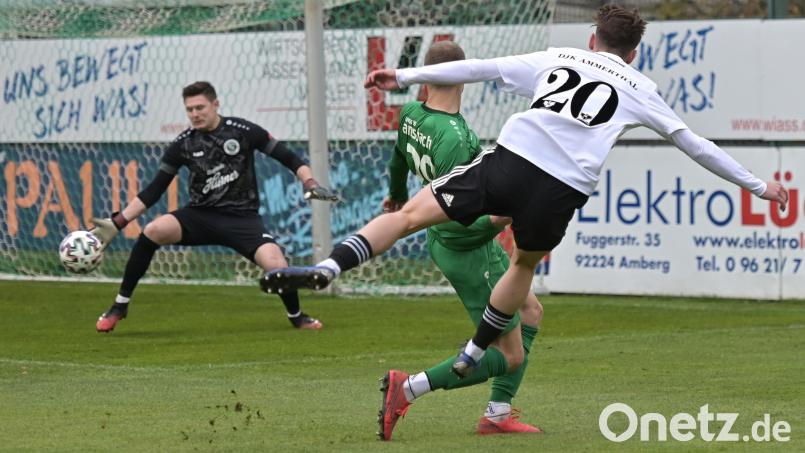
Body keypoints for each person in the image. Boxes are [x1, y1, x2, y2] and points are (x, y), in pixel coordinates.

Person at [263, 1, 788, 401]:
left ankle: (331, 266)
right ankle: (474, 351)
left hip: (513, 158)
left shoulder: (559, 57)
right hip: (562, 187)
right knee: (524, 263)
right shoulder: (640, 86)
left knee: (405, 216)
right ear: (632, 53)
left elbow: (478, 69)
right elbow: (693, 144)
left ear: (591, 38)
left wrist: (403, 76)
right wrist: (759, 187)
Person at [372, 41, 544, 440]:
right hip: (465, 246)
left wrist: (397, 194)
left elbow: (399, 157)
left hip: (446, 241)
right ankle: (408, 387)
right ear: (463, 74)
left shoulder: (411, 113)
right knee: (509, 355)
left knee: (531, 312)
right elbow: (455, 217)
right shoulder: (455, 138)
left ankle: (498, 414)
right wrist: (501, 219)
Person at [91, 81, 338, 333]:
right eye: (189, 110)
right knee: (153, 230)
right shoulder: (183, 144)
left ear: (215, 104)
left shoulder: (243, 131)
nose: (195, 114)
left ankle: (297, 316)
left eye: (200, 107)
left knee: (277, 266)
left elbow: (290, 158)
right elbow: (154, 190)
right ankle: (120, 306)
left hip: (242, 219)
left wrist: (310, 181)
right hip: (200, 216)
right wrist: (119, 222)